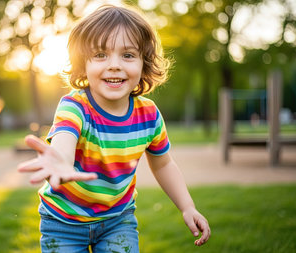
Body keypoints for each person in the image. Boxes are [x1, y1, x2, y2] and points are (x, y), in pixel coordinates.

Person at [17, 4, 210, 252]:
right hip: (63, 221)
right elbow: (65, 138)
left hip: (117, 221)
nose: (114, 65)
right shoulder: (75, 106)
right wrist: (61, 162)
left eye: (128, 55)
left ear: (144, 63)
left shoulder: (148, 114)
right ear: (83, 63)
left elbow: (163, 163)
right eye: (100, 55)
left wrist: (188, 207)